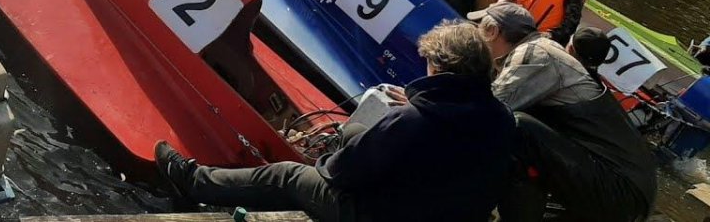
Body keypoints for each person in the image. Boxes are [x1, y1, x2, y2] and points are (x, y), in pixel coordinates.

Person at [153, 21, 514, 222]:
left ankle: (193, 181)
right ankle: (343, 139)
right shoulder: (501, 118)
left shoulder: (410, 120)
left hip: (377, 216)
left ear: (437, 66)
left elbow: (340, 174)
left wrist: (326, 160)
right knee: (353, 131)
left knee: (288, 175)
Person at [470, 3, 656, 222]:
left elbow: (488, 110)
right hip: (625, 188)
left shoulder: (536, 53)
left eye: (479, 29)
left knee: (516, 126)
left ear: (492, 32)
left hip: (622, 192)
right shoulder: (543, 50)